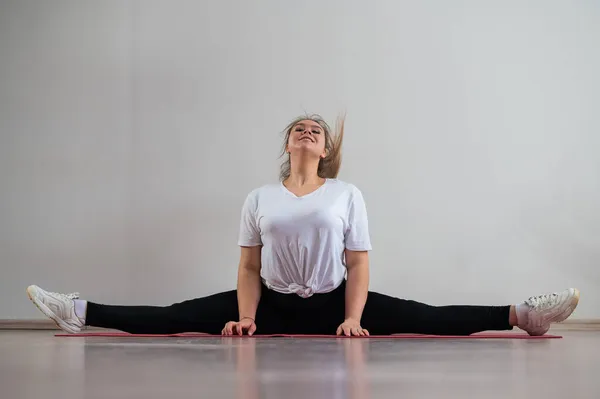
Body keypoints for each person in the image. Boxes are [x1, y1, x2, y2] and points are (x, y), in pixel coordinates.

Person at [26, 114, 580, 337]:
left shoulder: (345, 194)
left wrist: (354, 319)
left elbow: (358, 262)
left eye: (316, 128)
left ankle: (524, 315)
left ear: (327, 147)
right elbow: (247, 264)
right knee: (179, 317)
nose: (307, 130)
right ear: (289, 143)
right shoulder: (260, 195)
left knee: (424, 316)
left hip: (337, 301)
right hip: (268, 300)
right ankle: (78, 312)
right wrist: (245, 317)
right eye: (299, 127)